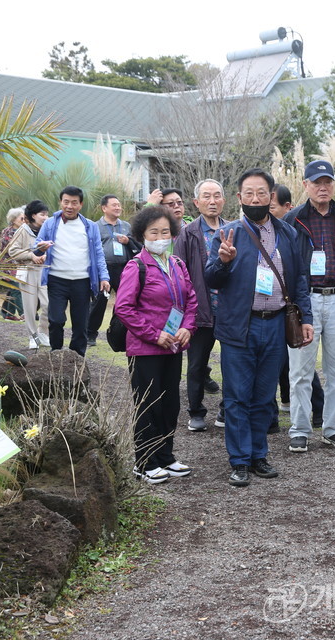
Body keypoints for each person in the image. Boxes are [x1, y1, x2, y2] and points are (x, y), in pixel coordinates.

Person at [204, 169, 313, 487]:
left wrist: (305, 317)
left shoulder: (288, 233)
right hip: (240, 326)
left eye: (261, 193)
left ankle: (257, 455)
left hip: (276, 324)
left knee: (264, 396)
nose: (255, 198)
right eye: (248, 193)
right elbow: (211, 279)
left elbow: (300, 279)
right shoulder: (229, 235)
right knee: (237, 396)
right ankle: (239, 461)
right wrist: (224, 261)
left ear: (271, 196)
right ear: (239, 198)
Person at [114, 206, 197, 484]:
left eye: (165, 232)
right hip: (145, 348)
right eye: (154, 232)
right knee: (148, 404)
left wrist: (187, 327)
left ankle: (165, 456)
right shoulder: (136, 265)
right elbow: (124, 308)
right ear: (142, 235)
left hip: (173, 347)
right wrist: (154, 334)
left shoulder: (177, 264)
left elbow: (191, 301)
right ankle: (144, 461)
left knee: (170, 403)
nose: (161, 237)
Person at [284, 160, 335, 453]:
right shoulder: (293, 219)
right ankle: (300, 429)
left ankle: (333, 428)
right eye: (317, 182)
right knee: (301, 371)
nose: (323, 187)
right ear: (305, 185)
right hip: (307, 301)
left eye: (327, 181)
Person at [268, 183, 324, 433]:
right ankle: (278, 414)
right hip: (269, 306)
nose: (267, 211)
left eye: (271, 206)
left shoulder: (289, 229)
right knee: (280, 364)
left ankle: (317, 413)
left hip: (293, 306)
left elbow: (299, 274)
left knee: (300, 365)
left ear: (286, 207)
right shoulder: (258, 233)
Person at [175, 179, 228, 432]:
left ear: (224, 200)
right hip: (199, 313)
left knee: (232, 364)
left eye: (217, 196)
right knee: (196, 365)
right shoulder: (188, 233)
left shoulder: (233, 229)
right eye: (206, 196)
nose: (212, 201)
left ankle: (227, 409)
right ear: (196, 202)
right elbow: (178, 275)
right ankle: (196, 412)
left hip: (228, 311)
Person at [35, 186, 110, 357]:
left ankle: (76, 359)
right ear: (60, 202)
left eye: (74, 203)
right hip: (56, 280)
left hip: (82, 282)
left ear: (80, 204)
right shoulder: (50, 223)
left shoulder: (90, 226)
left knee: (80, 324)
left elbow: (98, 254)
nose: (69, 206)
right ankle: (56, 353)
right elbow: (36, 247)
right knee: (55, 320)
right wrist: (40, 248)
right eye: (66, 202)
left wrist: (104, 277)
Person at [86, 194, 134, 347]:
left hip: (124, 269)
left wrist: (128, 241)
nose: (118, 207)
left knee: (124, 301)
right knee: (100, 301)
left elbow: (136, 244)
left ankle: (118, 332)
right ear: (104, 208)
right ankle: (90, 334)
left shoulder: (126, 226)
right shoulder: (95, 226)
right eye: (114, 205)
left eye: (119, 205)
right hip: (104, 269)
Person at [7, 200, 51, 349]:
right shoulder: (23, 230)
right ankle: (33, 337)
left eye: (46, 214)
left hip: (45, 271)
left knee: (48, 304)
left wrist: (47, 256)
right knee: (30, 307)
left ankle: (43, 333)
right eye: (42, 214)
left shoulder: (48, 230)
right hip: (28, 272)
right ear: (33, 215)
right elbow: (12, 251)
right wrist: (32, 256)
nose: (45, 217)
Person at [0, 207, 25, 321]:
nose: (24, 220)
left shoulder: (17, 231)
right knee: (16, 290)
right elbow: (12, 251)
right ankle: (23, 314)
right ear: (14, 220)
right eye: (21, 218)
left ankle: (8, 314)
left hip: (16, 266)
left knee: (13, 289)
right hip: (11, 266)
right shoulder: (10, 233)